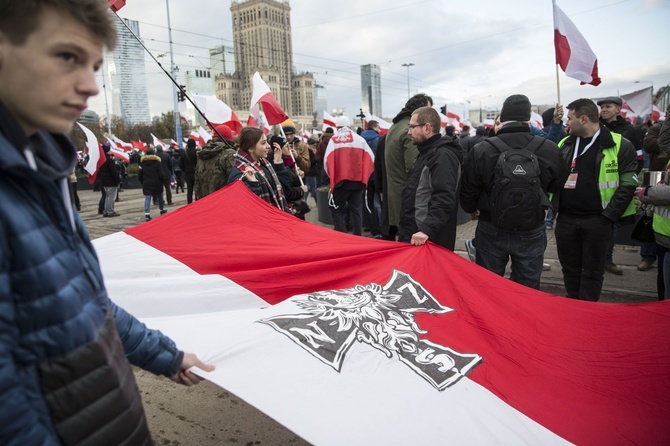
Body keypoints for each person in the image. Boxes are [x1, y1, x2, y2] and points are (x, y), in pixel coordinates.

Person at [0, 1, 214, 444]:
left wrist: (167, 356)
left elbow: (86, 304)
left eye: (95, 66)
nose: (90, 86)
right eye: (67, 57)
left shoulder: (41, 174)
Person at [460, 95, 560, 288]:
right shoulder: (548, 148)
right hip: (532, 226)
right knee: (528, 287)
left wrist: (471, 208)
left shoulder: (482, 149)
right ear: (527, 117)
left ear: (503, 117)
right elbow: (556, 184)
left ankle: (491, 318)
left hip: (491, 224)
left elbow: (468, 187)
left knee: (489, 285)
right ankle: (523, 317)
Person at [554, 98, 637, 301]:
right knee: (570, 269)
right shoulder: (565, 143)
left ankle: (588, 311)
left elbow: (628, 185)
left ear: (583, 119)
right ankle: (573, 306)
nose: (567, 122)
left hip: (598, 221)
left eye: (569, 118)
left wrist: (608, 218)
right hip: (566, 220)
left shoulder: (620, 145)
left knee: (592, 272)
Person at [399, 106, 463, 250]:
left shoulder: (442, 156)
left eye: (412, 127)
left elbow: (444, 197)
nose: (409, 132)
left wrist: (426, 229)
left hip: (427, 238)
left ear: (427, 128)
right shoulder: (426, 153)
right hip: (416, 234)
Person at [597, 96, 641, 275]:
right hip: (595, 188)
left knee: (611, 228)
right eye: (602, 107)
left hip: (616, 189)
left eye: (608, 106)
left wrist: (628, 182)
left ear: (618, 109)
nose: (604, 110)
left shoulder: (629, 130)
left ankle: (607, 260)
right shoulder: (595, 127)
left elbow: (637, 159)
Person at [385, 93, 433, 240]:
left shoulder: (396, 126)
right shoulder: (409, 130)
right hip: (410, 202)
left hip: (399, 197)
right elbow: (415, 166)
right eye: (429, 110)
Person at [323, 115, 375, 235]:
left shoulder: (334, 140)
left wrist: (332, 177)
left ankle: (342, 235)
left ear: (337, 127)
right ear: (349, 126)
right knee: (356, 211)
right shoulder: (359, 139)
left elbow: (327, 162)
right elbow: (371, 158)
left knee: (335, 209)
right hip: (357, 182)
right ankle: (357, 236)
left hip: (340, 182)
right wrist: (364, 176)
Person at [228, 127, 292, 212]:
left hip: (275, 217)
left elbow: (285, 190)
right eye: (263, 143)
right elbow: (243, 206)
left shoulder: (265, 163)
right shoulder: (241, 172)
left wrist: (278, 163)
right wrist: (253, 184)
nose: (268, 146)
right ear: (251, 148)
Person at [195, 124, 236, 200]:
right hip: (224, 201)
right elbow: (235, 180)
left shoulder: (202, 154)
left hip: (205, 201)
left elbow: (197, 183)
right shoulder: (229, 154)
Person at [361, 120, 382, 238]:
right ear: (374, 127)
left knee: (368, 204)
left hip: (366, 176)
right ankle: (381, 228)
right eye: (379, 127)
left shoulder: (360, 140)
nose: (380, 129)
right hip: (377, 176)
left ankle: (374, 228)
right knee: (379, 203)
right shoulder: (378, 140)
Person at [139, 146, 167, 221]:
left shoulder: (142, 164)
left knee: (147, 198)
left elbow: (140, 175)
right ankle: (162, 209)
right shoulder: (157, 163)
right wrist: (162, 181)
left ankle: (147, 214)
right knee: (160, 196)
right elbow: (161, 174)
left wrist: (142, 182)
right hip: (157, 182)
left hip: (147, 182)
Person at [97, 142, 121, 217]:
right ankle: (110, 211)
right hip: (111, 181)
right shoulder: (109, 160)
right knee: (111, 197)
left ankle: (106, 211)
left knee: (107, 196)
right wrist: (118, 179)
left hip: (104, 181)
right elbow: (113, 171)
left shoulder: (101, 160)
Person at [181, 137, 198, 203]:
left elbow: (181, 165)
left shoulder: (183, 153)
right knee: (197, 189)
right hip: (196, 173)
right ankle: (197, 201)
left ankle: (189, 203)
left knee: (189, 190)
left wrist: (185, 170)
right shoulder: (196, 152)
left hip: (187, 173)